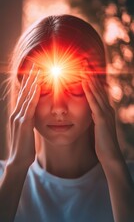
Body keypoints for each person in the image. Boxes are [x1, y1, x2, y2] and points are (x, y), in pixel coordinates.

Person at [0, 14, 134, 222]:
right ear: (22, 93)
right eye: (42, 86)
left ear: (101, 88)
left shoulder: (128, 181)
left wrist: (114, 164)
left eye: (74, 84)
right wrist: (16, 168)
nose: (59, 108)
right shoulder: (4, 179)